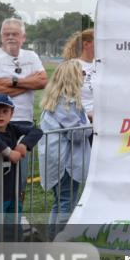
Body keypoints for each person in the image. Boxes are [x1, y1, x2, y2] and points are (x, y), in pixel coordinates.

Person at [0, 18, 48, 219]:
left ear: (23, 37)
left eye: (15, 33)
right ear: (1, 37)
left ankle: (15, 216)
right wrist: (26, 85)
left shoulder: (31, 55)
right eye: (6, 34)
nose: (11, 37)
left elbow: (43, 81)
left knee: (19, 177)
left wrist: (13, 81)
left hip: (23, 122)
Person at [0, 94, 42, 241]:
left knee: (13, 231)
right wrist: (9, 152)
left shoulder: (12, 128)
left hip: (12, 193)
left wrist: (24, 144)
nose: (0, 115)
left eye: (5, 111)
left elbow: (36, 130)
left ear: (12, 113)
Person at [38, 60, 91, 233]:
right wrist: (92, 125)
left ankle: (53, 239)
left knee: (62, 201)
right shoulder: (66, 103)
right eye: (81, 73)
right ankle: (59, 240)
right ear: (72, 77)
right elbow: (76, 134)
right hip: (65, 162)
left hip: (59, 159)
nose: (85, 76)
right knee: (67, 203)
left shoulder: (60, 100)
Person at [62, 29, 96, 122]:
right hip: (83, 123)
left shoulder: (100, 64)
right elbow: (66, 100)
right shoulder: (72, 66)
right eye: (98, 41)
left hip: (102, 121)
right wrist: (86, 116)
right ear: (86, 44)